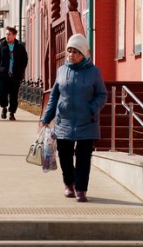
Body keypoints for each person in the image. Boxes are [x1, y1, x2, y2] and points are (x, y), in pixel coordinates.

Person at [39, 33, 107, 202]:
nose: (71, 54)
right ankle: (69, 184)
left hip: (87, 122)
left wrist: (91, 110)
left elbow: (102, 95)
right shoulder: (62, 71)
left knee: (84, 159)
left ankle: (81, 189)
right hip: (64, 122)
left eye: (75, 51)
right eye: (69, 51)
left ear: (83, 53)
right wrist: (45, 119)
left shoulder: (94, 72)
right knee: (65, 157)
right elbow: (54, 97)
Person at [0, 26, 28, 121]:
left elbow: (25, 60)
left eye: (9, 34)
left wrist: (21, 70)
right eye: (6, 34)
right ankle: (4, 107)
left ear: (14, 35)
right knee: (2, 93)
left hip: (15, 75)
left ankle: (12, 112)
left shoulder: (20, 47)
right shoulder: (0, 47)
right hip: (3, 75)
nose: (7, 36)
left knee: (14, 95)